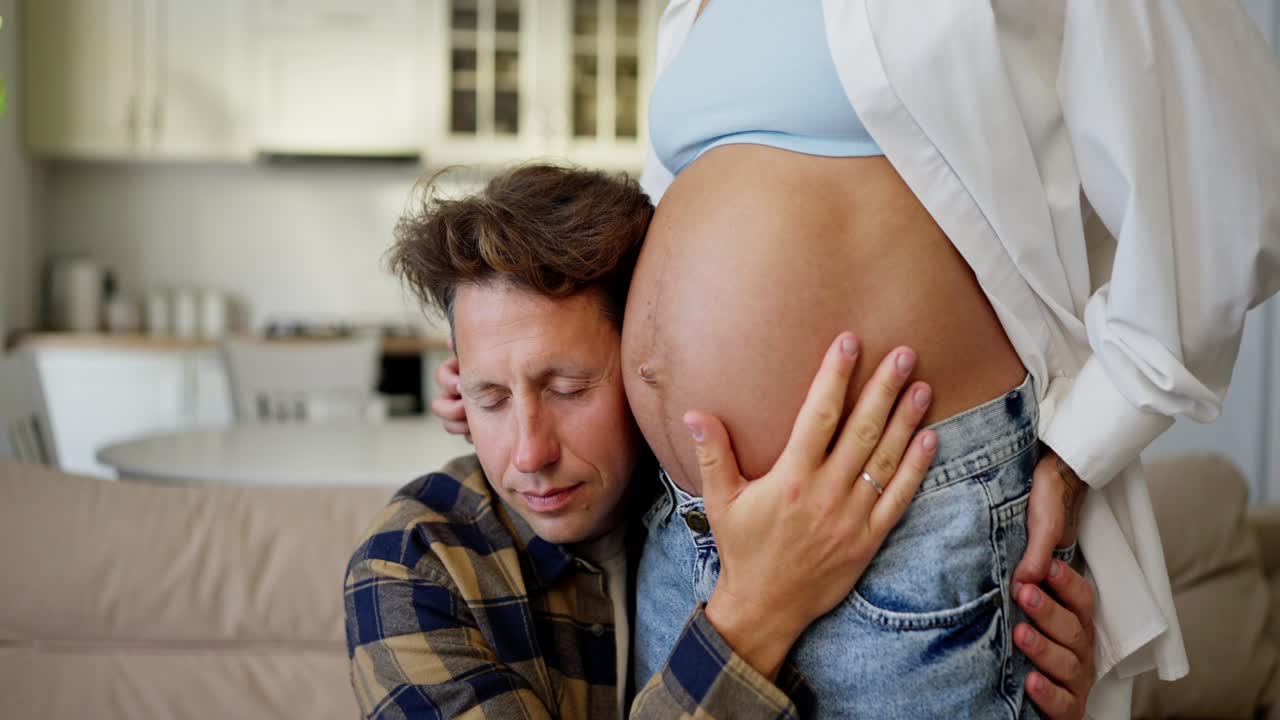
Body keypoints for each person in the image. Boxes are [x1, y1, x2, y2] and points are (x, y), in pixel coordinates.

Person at [430, 2, 1280, 716]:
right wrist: (518, 384)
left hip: (905, 519)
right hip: (687, 533)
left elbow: (1235, 180)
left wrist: (1076, 454)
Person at [348, 165, 1097, 718]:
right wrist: (759, 610)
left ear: (649, 369)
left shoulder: (684, 502)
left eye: (569, 389)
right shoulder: (415, 567)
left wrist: (1018, 667)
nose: (530, 451)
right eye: (490, 398)